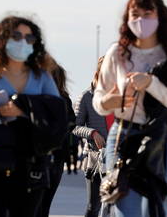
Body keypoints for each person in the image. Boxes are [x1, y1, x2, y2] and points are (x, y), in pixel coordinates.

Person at [92, 0, 167, 217]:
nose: (141, 20)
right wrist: (110, 101)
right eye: (135, 14)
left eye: (147, 14)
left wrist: (151, 83)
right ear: (127, 19)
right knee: (123, 206)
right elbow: (98, 100)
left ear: (160, 16)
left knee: (159, 208)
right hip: (124, 135)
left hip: (164, 137)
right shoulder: (118, 53)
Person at [0, 15, 61, 217]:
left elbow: (55, 112)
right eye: (17, 36)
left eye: (29, 38)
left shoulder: (42, 76)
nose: (23, 42)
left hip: (29, 160)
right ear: (3, 39)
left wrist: (22, 110)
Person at [38, 63, 76, 217]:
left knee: (39, 203)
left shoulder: (60, 99)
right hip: (54, 156)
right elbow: (72, 123)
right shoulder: (64, 99)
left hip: (50, 157)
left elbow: (71, 123)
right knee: (43, 203)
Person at [73, 56, 109, 217]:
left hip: (117, 158)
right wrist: (92, 133)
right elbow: (74, 126)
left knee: (114, 206)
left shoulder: (122, 96)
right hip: (95, 158)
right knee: (93, 205)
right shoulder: (87, 97)